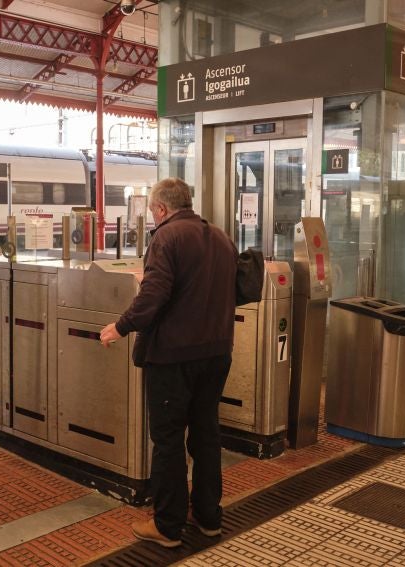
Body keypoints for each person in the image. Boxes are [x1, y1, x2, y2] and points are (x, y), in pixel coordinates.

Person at [99, 177, 238, 547]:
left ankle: (167, 525)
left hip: (174, 357)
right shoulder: (222, 238)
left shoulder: (166, 237)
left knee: (168, 440)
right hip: (217, 353)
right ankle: (209, 517)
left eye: (152, 213)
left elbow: (155, 293)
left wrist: (121, 326)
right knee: (207, 435)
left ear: (160, 209)